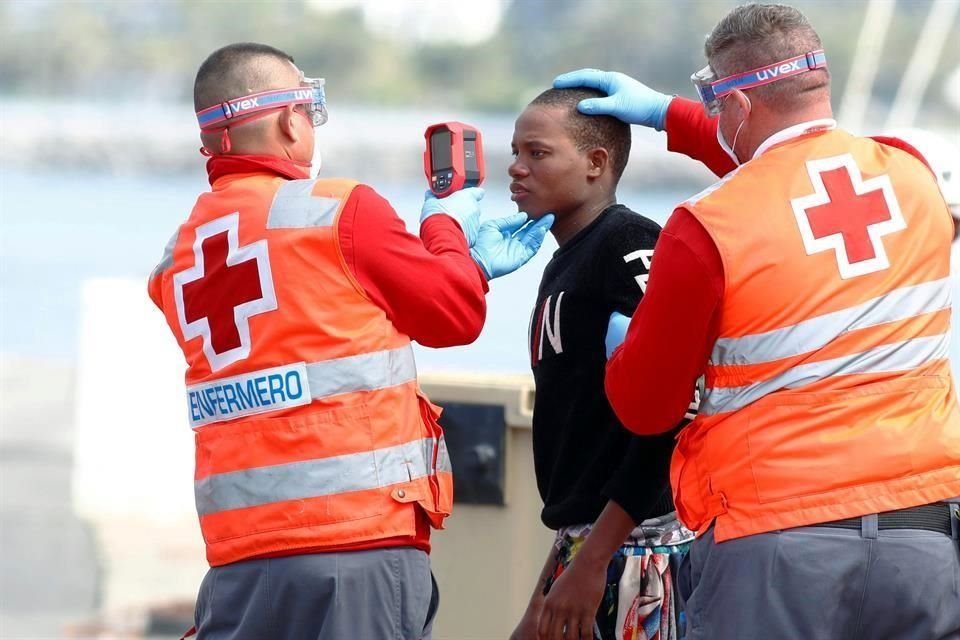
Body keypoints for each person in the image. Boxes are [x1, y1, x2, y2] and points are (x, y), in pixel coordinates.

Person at [554, 4, 960, 639]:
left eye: (717, 107)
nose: (714, 120)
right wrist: (669, 116)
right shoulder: (913, 178)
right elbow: (793, 186)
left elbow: (646, 409)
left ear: (738, 109)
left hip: (778, 547)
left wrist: (626, 350)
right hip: (925, 535)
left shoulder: (706, 226)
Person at [147, 42, 552, 640]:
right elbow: (452, 315)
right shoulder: (341, 212)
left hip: (239, 561)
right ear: (291, 120)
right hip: (354, 546)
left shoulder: (175, 260)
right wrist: (446, 227)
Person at [506, 88, 693, 640]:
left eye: (537, 153)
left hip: (638, 553)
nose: (516, 169)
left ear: (595, 163)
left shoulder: (628, 244)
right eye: (515, 151)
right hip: (586, 546)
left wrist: (594, 561)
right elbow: (581, 477)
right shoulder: (566, 261)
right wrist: (545, 592)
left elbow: (675, 408)